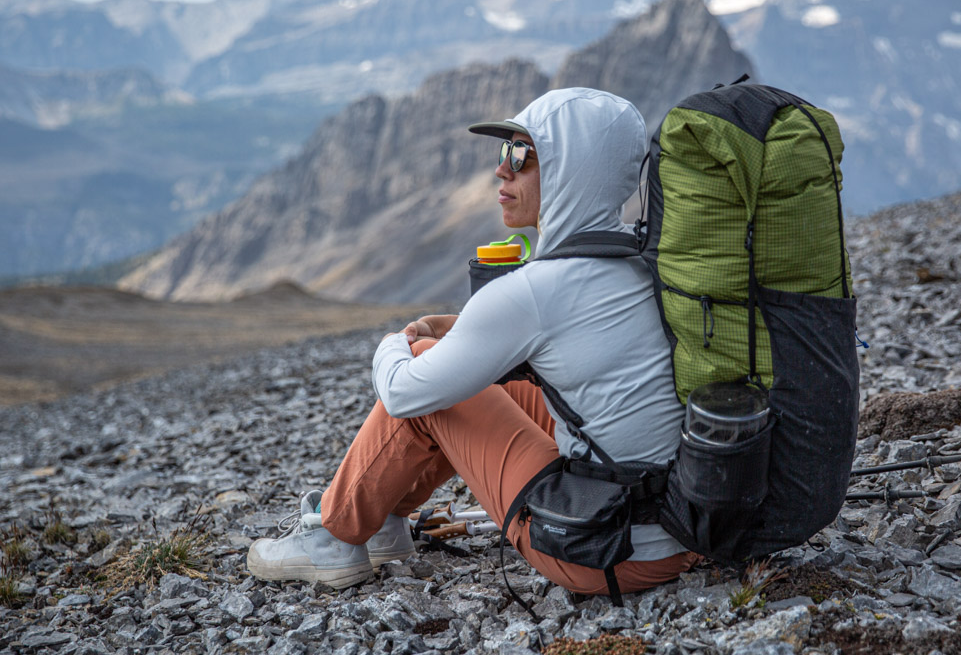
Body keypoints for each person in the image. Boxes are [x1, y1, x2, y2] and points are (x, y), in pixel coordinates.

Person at [247, 87, 699, 597]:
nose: (501, 170)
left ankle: (335, 537)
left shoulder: (531, 290)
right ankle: (386, 523)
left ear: (573, 167)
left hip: (605, 553)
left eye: (521, 154)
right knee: (483, 381)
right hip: (689, 529)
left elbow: (403, 393)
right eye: (504, 154)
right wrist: (465, 328)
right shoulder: (644, 261)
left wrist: (394, 342)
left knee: (424, 368)